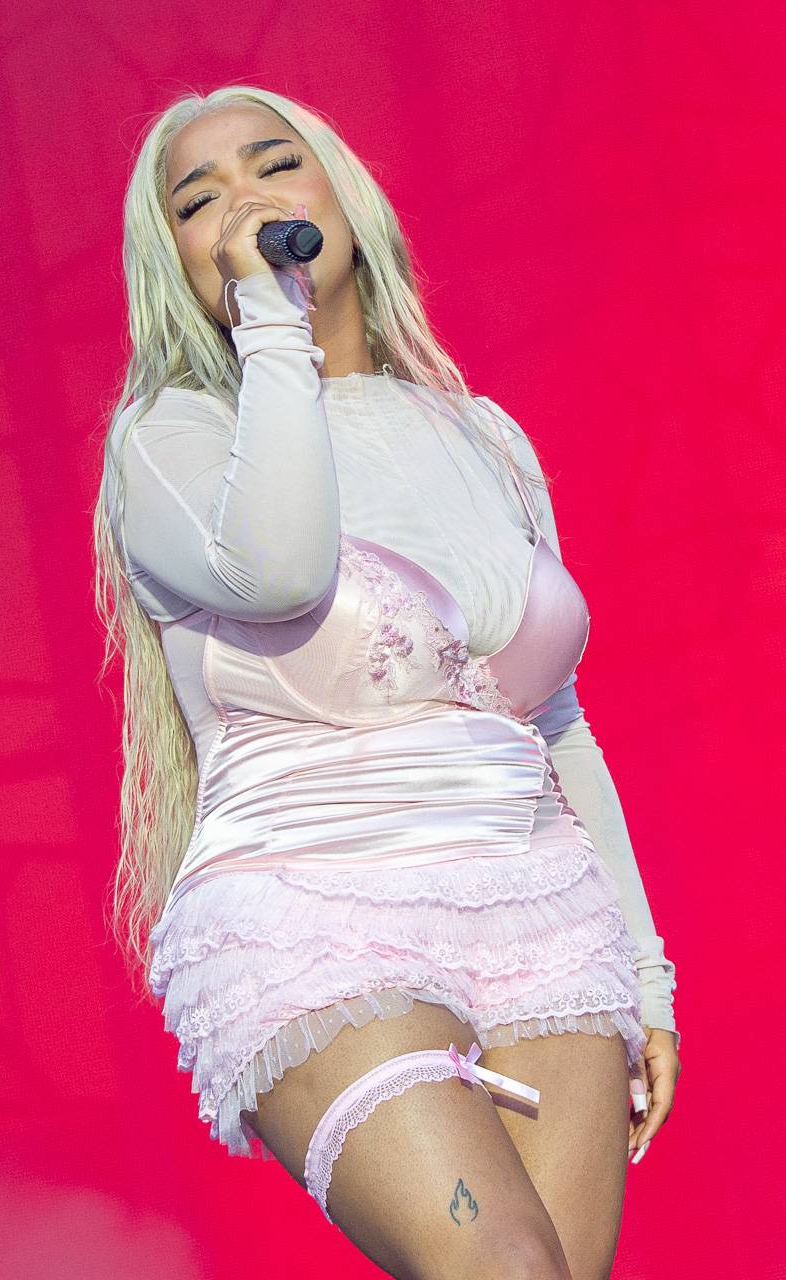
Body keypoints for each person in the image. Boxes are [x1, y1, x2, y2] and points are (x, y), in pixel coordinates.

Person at [93, 85, 681, 1280]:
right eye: (199, 200)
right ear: (179, 261)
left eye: (273, 166)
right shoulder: (171, 438)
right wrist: (272, 322)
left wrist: (645, 970)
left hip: (537, 909)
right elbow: (280, 567)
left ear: (343, 197)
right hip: (316, 906)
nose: (244, 203)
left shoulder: (486, 439)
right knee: (505, 1261)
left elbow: (554, 725)